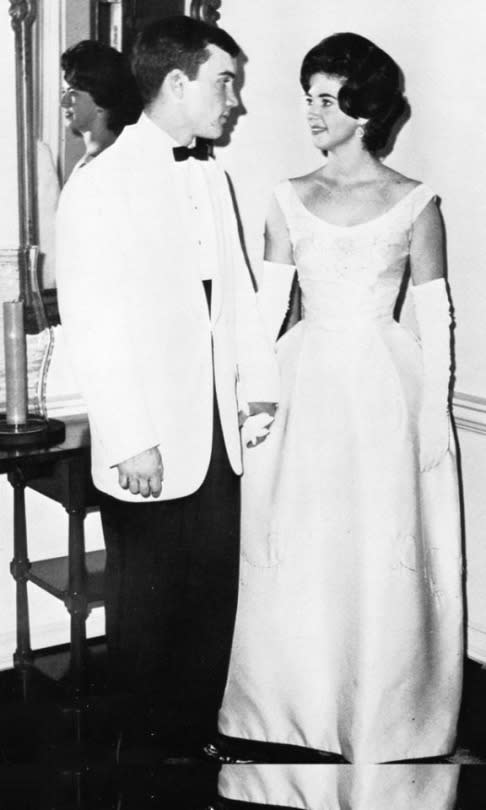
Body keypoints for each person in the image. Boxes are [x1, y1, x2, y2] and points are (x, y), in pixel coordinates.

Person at [218, 31, 463, 781]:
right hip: (305, 385)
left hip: (386, 389)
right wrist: (251, 399)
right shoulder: (288, 197)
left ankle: (384, 713)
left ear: (363, 109)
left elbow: (437, 318)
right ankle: (294, 712)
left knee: (377, 548)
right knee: (302, 545)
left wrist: (433, 420)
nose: (312, 114)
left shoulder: (415, 201)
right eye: (308, 99)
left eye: (326, 99)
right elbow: (264, 313)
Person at [56, 16, 278, 758]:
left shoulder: (210, 175)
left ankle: (193, 749)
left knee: (212, 606)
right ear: (178, 83)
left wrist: (259, 390)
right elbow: (96, 323)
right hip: (148, 444)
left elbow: (238, 297)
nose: (235, 101)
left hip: (217, 437)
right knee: (147, 618)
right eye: (225, 81)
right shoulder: (101, 184)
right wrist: (132, 440)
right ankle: (145, 767)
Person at [60, 39, 143, 173]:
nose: (64, 102)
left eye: (72, 93)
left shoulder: (110, 165)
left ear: (100, 100)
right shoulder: (90, 160)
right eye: (63, 92)